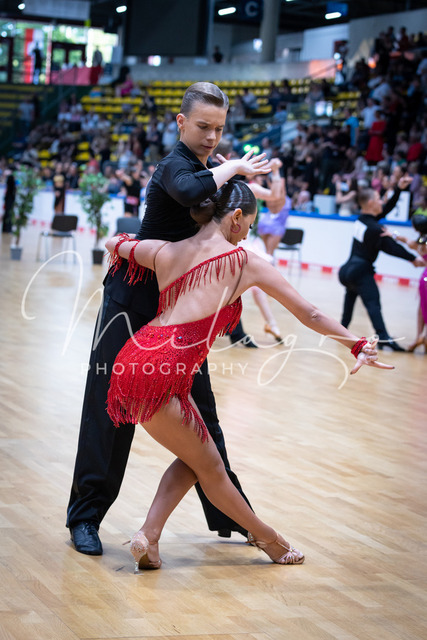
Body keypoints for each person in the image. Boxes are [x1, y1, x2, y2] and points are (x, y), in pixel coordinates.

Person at [105, 180, 393, 572]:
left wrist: (127, 241)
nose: (248, 234)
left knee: (196, 458)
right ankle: (270, 540)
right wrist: (355, 344)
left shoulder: (167, 250)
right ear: (236, 217)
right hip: (165, 369)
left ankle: (149, 537)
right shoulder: (244, 262)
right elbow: (309, 313)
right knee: (212, 470)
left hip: (134, 357)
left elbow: (114, 243)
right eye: (251, 225)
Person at [66, 82, 271, 556]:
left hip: (176, 314)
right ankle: (85, 518)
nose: (212, 137)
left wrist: (247, 180)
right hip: (127, 305)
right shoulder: (174, 166)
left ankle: (234, 515)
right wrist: (232, 168)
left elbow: (237, 205)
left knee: (204, 415)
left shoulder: (210, 170)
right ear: (181, 122)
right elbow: (186, 190)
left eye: (219, 128)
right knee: (108, 412)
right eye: (203, 126)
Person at [338, 177, 425, 351]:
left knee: (351, 295)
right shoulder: (375, 229)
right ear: (371, 203)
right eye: (379, 199)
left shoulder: (362, 220)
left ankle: (341, 331)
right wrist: (412, 259)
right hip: (361, 271)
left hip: (346, 270)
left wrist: (398, 189)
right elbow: (391, 247)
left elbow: (385, 210)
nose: (382, 202)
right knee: (373, 303)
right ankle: (384, 338)